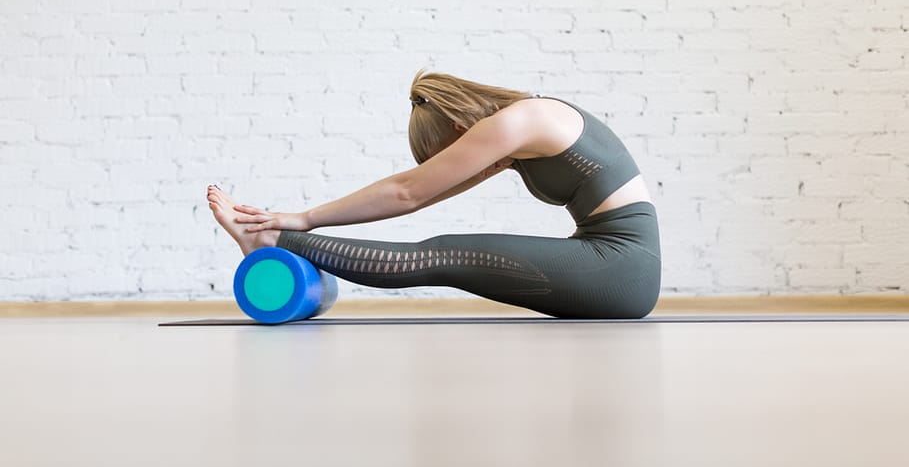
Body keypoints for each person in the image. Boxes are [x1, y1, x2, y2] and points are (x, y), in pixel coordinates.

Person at [207, 70, 661, 318]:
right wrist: (308, 219)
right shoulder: (527, 125)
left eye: (449, 152)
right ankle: (267, 241)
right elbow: (423, 195)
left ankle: (265, 243)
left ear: (461, 130)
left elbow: (407, 191)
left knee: (440, 255)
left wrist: (302, 222)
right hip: (618, 262)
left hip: (621, 267)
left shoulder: (515, 123)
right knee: (442, 252)